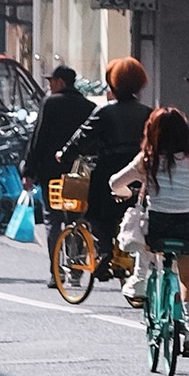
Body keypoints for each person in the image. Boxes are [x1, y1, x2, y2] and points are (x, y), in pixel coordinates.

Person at [111, 105, 189, 354]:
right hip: (187, 226)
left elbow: (115, 182)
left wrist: (124, 192)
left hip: (158, 226)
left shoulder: (148, 159)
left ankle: (140, 280)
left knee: (143, 236)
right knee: (187, 277)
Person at [63, 55, 151, 262]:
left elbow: (82, 137)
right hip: (140, 168)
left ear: (113, 83)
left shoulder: (104, 111)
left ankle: (104, 251)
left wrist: (65, 154)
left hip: (109, 168)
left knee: (97, 214)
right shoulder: (149, 113)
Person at [20, 65, 91, 228]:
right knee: (76, 215)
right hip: (78, 172)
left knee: (53, 216)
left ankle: (55, 252)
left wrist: (29, 170)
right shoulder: (88, 106)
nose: (49, 85)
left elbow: (38, 138)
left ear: (61, 82)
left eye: (51, 81)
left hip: (51, 170)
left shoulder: (50, 103)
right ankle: (76, 249)